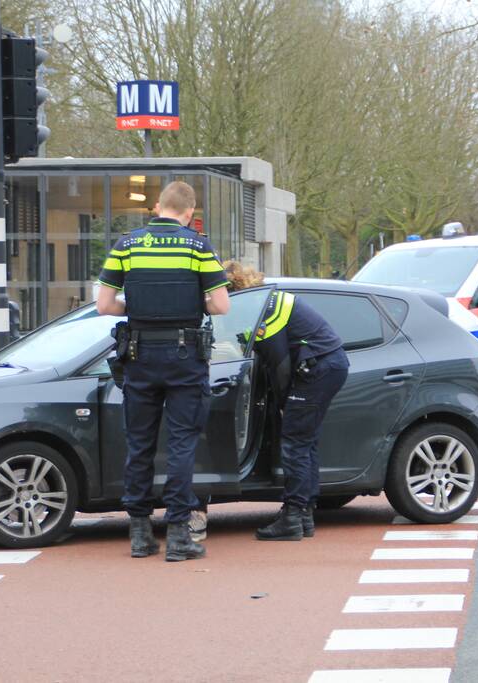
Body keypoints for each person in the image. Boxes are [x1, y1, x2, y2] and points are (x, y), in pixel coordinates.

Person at [96, 181, 230, 561]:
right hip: (185, 356)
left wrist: (137, 311)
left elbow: (104, 305)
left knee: (139, 442)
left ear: (157, 207)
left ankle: (139, 534)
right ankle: (177, 536)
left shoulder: (127, 245)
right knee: (181, 442)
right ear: (189, 212)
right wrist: (192, 301)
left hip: (138, 354)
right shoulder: (198, 246)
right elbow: (220, 306)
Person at [223, 261, 349, 541]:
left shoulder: (265, 310)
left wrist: (284, 404)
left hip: (318, 369)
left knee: (294, 441)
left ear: (233, 290)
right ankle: (304, 513)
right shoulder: (269, 300)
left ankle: (293, 516)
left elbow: (279, 363)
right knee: (306, 441)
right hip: (328, 365)